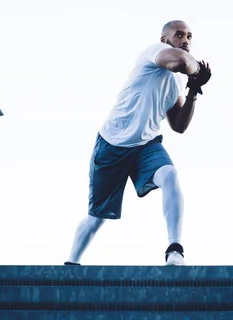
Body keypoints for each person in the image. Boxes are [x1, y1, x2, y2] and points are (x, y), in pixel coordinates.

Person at [65, 20, 211, 266]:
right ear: (164, 40)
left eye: (189, 36)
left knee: (169, 174)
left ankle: (175, 250)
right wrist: (198, 70)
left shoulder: (175, 81)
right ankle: (71, 264)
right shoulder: (154, 53)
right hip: (113, 143)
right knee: (97, 217)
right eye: (179, 35)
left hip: (146, 144)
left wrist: (193, 91)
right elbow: (182, 62)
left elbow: (178, 125)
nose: (185, 40)